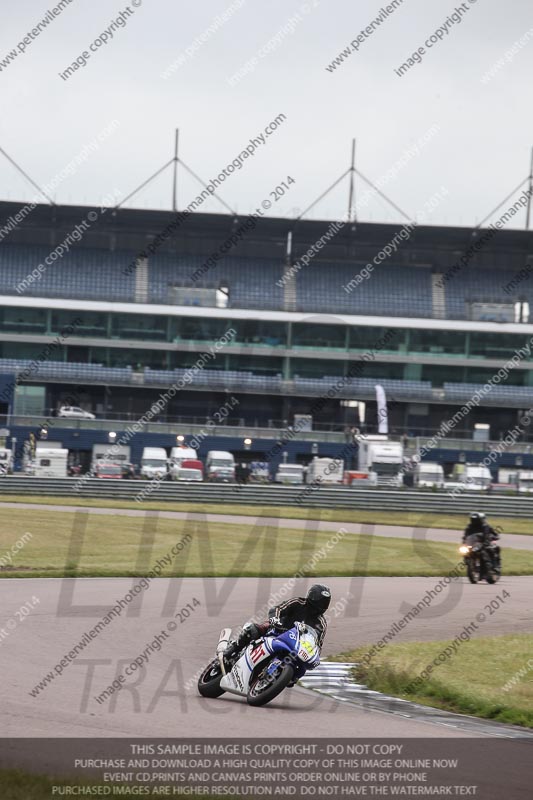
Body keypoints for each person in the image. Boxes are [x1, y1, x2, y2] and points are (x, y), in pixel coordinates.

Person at [224, 584, 331, 662]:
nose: (321, 605)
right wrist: (275, 619)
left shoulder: (321, 624)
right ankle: (233, 649)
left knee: (301, 666)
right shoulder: (298, 603)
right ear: (311, 596)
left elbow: (317, 645)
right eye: (320, 601)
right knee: (254, 629)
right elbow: (277, 609)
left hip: (295, 647)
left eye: (325, 602)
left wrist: (314, 656)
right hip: (277, 631)